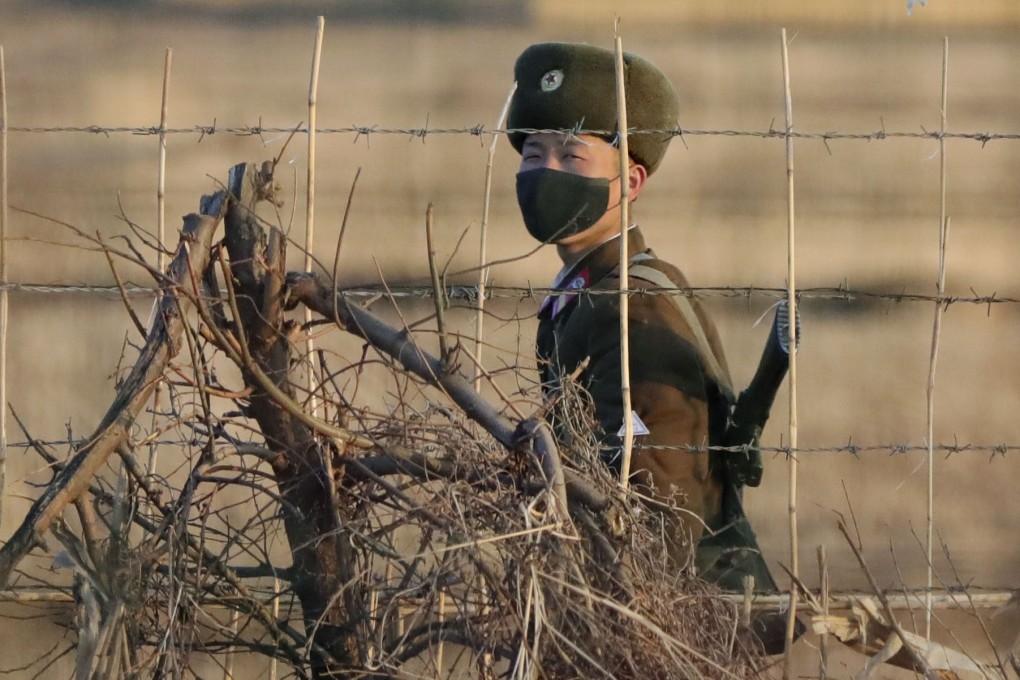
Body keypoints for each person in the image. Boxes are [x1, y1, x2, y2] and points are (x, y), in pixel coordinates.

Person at [506, 42, 778, 595]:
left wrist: (621, 616)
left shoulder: (631, 306)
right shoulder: (588, 290)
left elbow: (663, 493)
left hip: (663, 612)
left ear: (630, 183)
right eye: (533, 155)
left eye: (571, 155)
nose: (546, 173)